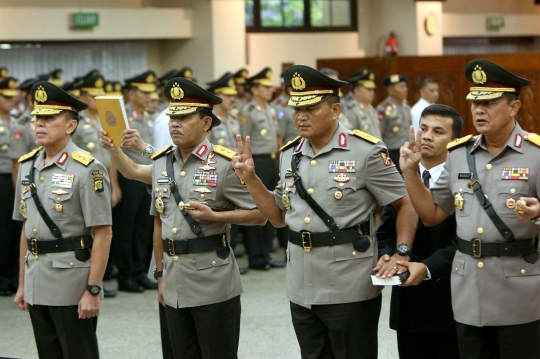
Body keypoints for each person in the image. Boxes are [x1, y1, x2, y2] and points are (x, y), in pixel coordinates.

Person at [233, 64, 417, 359]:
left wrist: (402, 250)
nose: (301, 117)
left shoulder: (365, 151)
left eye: (312, 109)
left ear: (335, 110)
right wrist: (252, 179)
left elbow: (405, 203)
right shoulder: (290, 153)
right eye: (297, 109)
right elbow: (278, 217)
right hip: (302, 283)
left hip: (348, 283)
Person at [100, 76, 266, 359]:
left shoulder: (225, 164)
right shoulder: (163, 162)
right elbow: (157, 220)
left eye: (184, 117)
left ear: (206, 123)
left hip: (213, 280)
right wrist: (160, 274)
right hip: (174, 279)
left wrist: (215, 215)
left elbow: (261, 215)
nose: (175, 123)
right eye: (172, 117)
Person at [400, 59, 540, 359]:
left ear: (513, 107)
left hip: (519, 288)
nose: (479, 110)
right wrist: (410, 173)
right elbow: (433, 213)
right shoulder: (460, 154)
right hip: (469, 288)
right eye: (475, 102)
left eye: (489, 102)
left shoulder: (534, 154)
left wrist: (537, 212)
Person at [12, 80, 112, 359]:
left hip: (71, 281)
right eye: (37, 118)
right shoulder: (27, 165)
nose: (40, 125)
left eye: (49, 118)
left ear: (70, 125)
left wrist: (93, 289)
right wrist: (22, 283)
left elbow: (103, 232)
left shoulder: (88, 169)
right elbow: (26, 228)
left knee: (78, 353)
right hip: (37, 278)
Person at [377, 104, 463, 359]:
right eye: (423, 128)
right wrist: (386, 256)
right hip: (409, 303)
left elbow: (463, 240)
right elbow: (385, 232)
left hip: (448, 296)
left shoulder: (463, 181)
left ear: (454, 141)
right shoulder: (402, 177)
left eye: (438, 132)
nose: (426, 136)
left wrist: (427, 268)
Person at [112, 70, 157, 292]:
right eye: (144, 92)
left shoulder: (148, 116)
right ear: (131, 94)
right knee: (126, 227)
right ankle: (126, 273)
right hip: (128, 176)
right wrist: (115, 184)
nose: (150, 97)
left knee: (144, 225)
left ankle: (140, 270)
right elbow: (114, 150)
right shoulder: (121, 117)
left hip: (146, 176)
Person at [239, 67, 285, 270]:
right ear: (255, 90)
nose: (269, 90)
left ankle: (266, 253)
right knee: (256, 206)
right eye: (265, 87)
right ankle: (256, 256)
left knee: (271, 205)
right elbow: (242, 139)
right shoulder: (248, 112)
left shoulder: (272, 109)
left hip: (271, 160)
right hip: (256, 162)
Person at [206, 72, 247, 275]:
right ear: (218, 95)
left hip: (234, 171)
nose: (233, 98)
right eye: (228, 95)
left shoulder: (231, 117)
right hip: (214, 173)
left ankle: (230, 254)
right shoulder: (210, 119)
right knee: (218, 214)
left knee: (236, 214)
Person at [0, 76, 23, 296]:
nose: (10, 100)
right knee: (2, 231)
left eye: (11, 96)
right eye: (4, 96)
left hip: (16, 178)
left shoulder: (16, 121)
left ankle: (14, 276)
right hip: (1, 179)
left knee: (16, 229)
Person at [377, 74, 412, 172]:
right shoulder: (384, 108)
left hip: (407, 150)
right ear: (391, 90)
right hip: (393, 152)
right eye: (401, 87)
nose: (405, 89)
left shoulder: (406, 106)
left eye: (405, 86)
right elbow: (380, 133)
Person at [344, 68, 381, 138]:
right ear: (356, 90)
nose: (372, 92)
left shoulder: (371, 109)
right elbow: (349, 137)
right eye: (368, 89)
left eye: (373, 89)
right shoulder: (352, 111)